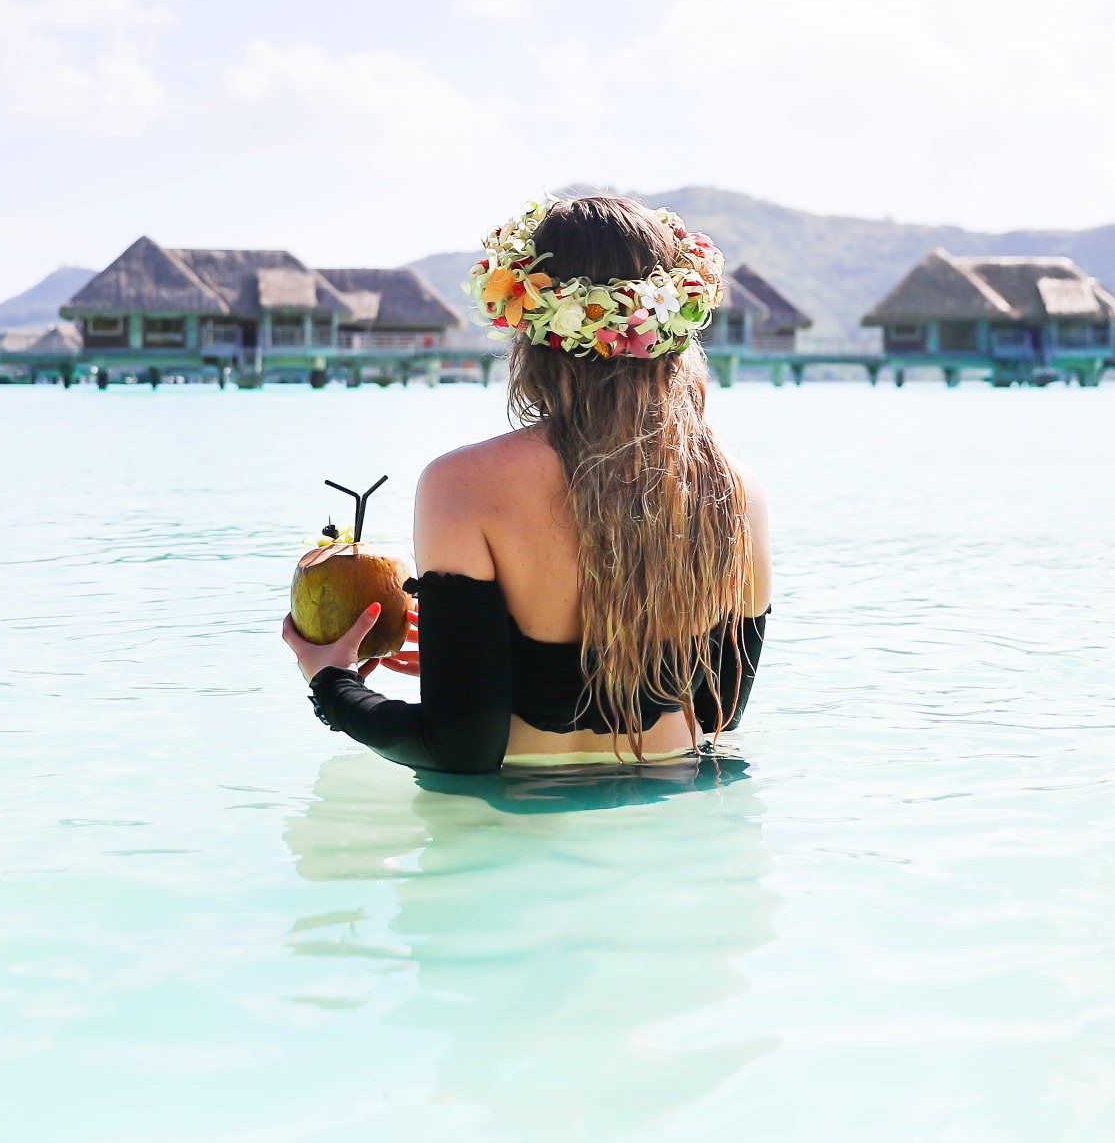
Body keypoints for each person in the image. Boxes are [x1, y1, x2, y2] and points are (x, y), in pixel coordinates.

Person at [280, 194, 771, 772]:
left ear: (525, 324)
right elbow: (721, 715)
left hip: (513, 824)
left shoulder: (461, 486)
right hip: (682, 821)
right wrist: (483, 657)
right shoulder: (738, 491)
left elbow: (462, 749)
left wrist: (331, 682)